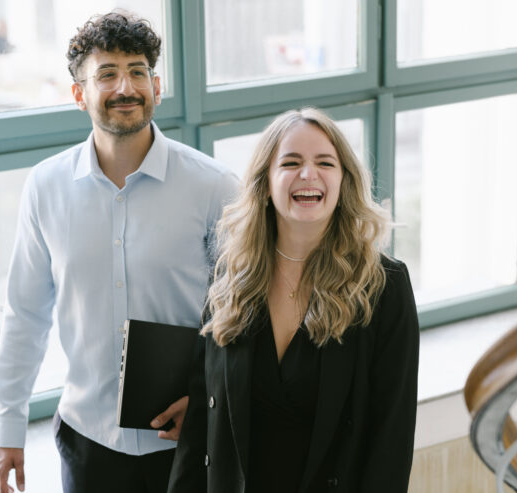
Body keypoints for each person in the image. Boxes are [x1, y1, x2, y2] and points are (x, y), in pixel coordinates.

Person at [0, 10, 238, 493]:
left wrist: (209, 396)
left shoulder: (214, 187)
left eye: (138, 71)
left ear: (157, 85)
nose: (126, 86)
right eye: (107, 74)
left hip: (189, 441)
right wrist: (7, 428)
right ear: (79, 94)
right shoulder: (45, 188)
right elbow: (25, 317)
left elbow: (244, 313)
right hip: (88, 442)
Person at [168, 107, 420, 492]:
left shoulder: (385, 286)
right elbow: (204, 417)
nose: (308, 174)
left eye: (325, 162)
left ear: (343, 181)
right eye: (290, 162)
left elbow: (391, 440)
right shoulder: (231, 273)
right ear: (266, 183)